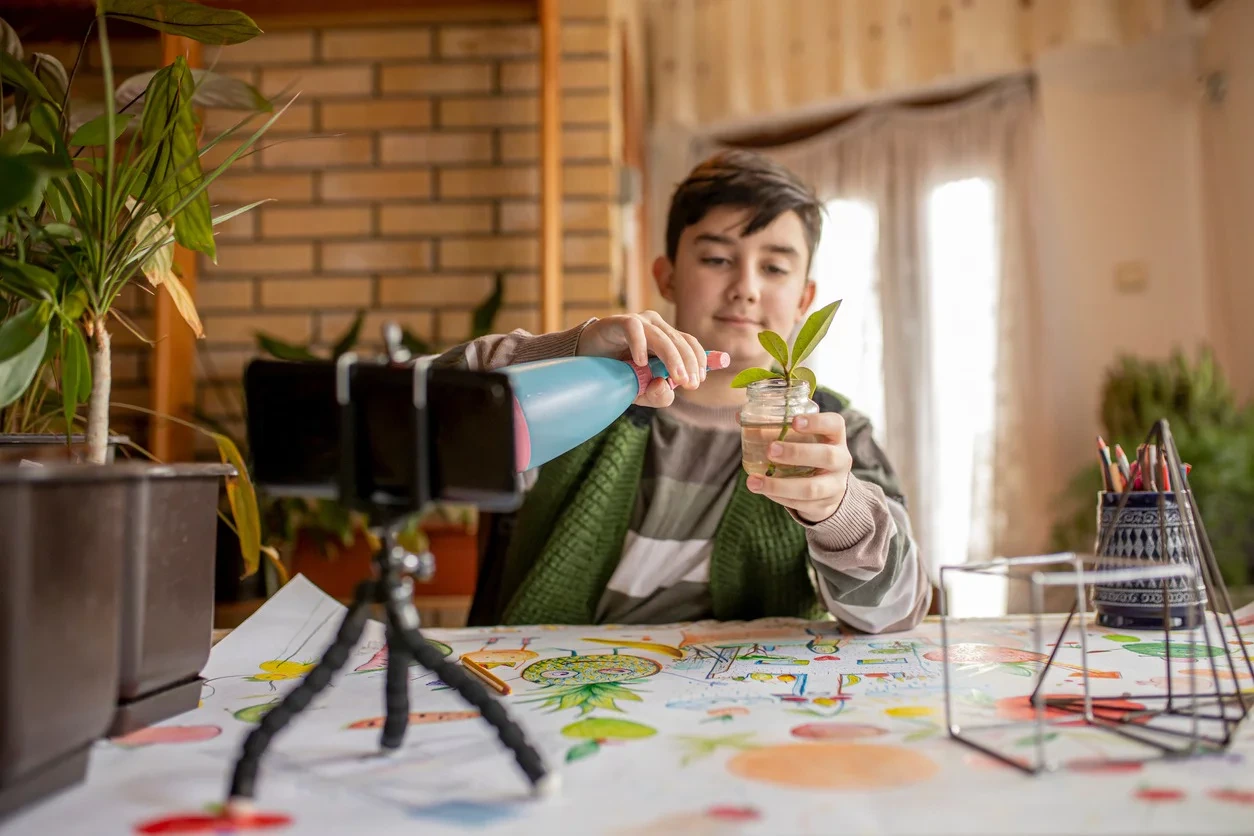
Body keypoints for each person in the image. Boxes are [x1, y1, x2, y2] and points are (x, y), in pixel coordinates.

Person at [435, 149, 931, 633]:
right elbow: (421, 416)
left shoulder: (831, 433)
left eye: (775, 268)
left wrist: (838, 511)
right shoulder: (587, 396)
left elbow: (899, 612)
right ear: (667, 276)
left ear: (805, 299)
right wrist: (570, 355)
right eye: (716, 258)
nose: (745, 288)